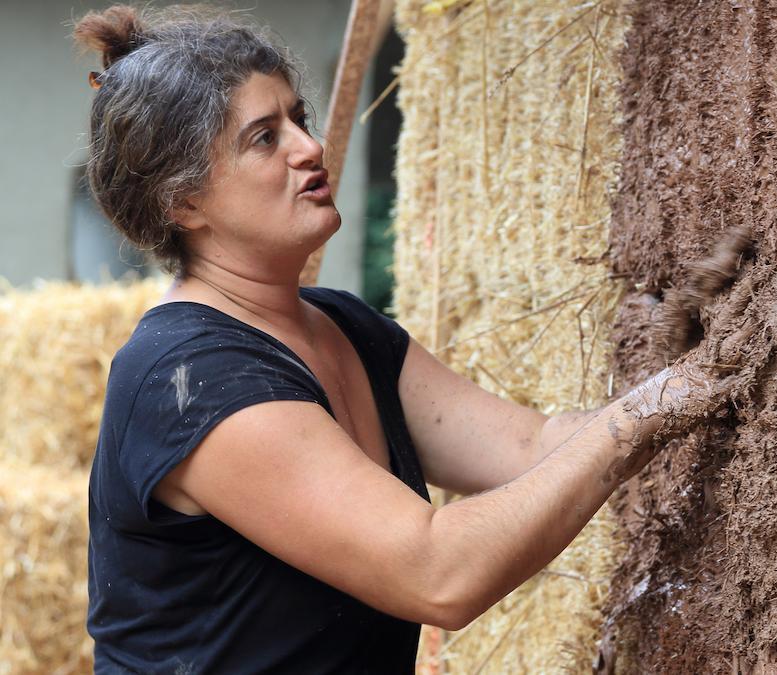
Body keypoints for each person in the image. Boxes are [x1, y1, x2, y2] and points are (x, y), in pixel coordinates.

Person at [74, 5, 725, 672]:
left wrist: (685, 382)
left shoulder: (345, 327)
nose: (309, 146)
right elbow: (437, 571)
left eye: (297, 117)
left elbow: (531, 446)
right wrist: (645, 414)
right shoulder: (191, 379)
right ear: (182, 202)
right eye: (264, 138)